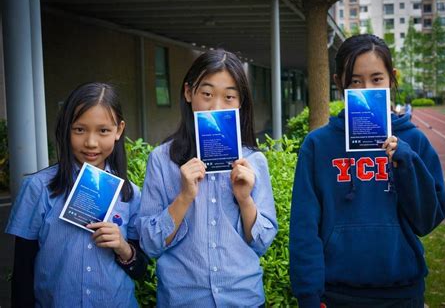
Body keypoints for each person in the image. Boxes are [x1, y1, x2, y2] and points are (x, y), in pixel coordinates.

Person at [289, 34, 445, 308]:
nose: (366, 88)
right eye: (355, 81)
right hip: (336, 294)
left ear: (392, 77)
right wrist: (308, 295)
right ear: (339, 83)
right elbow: (304, 227)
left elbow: (427, 220)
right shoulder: (318, 145)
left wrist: (407, 163)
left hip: (402, 293)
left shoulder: (415, 141)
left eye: (376, 79)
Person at [137, 49, 278, 307]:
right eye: (207, 94)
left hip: (242, 298)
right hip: (182, 299)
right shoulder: (161, 159)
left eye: (229, 97)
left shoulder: (254, 161)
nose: (216, 106)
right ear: (189, 93)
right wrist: (184, 197)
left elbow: (262, 243)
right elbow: (149, 244)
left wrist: (245, 200)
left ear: (240, 103)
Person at [6, 82, 148, 307]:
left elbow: (140, 269)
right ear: (66, 128)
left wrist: (122, 247)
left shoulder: (130, 195)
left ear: (119, 130)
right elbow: (22, 268)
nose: (91, 143)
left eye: (103, 131)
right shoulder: (39, 188)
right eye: (79, 129)